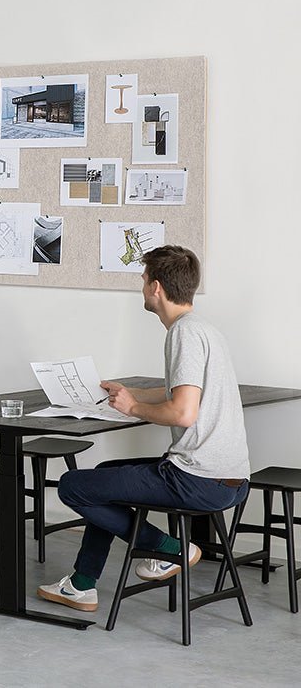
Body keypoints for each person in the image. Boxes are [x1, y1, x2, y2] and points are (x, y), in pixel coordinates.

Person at [36, 245, 250, 613]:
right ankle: (81, 585)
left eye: (142, 279)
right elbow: (184, 392)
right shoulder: (203, 330)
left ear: (155, 288)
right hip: (231, 479)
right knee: (105, 476)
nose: (141, 287)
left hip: (197, 479)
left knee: (73, 486)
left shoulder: (182, 334)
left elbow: (183, 413)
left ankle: (170, 549)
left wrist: (133, 408)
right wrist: (132, 392)